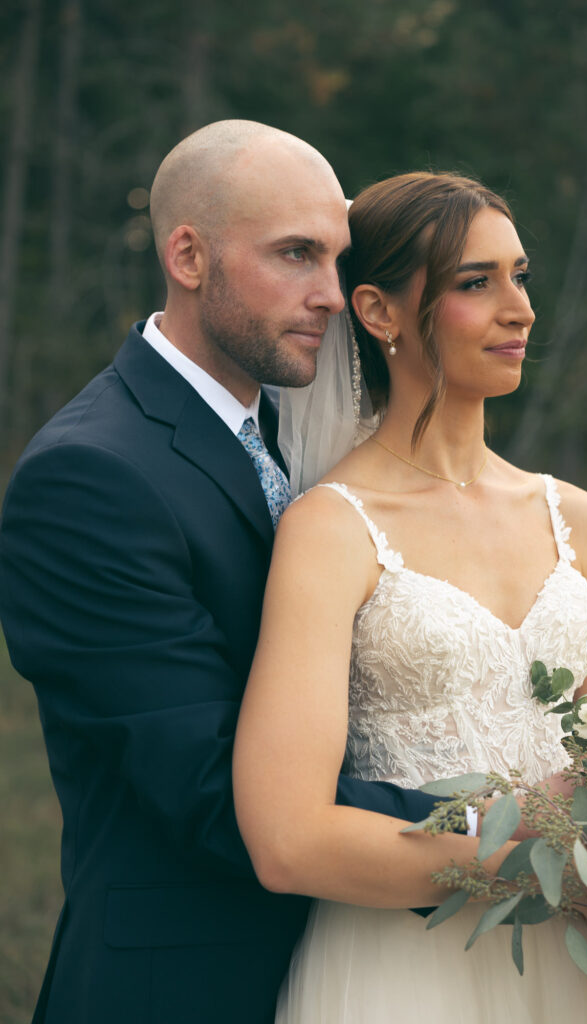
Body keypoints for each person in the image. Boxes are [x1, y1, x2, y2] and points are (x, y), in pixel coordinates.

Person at [0, 123, 453, 1024]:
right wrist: (500, 821)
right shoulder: (91, 477)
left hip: (351, 966)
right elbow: (211, 789)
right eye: (296, 255)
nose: (331, 294)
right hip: (186, 985)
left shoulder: (295, 441)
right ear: (188, 255)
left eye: (337, 259)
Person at [233, 172, 587, 1022]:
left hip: (583, 969)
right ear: (379, 312)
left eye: (520, 276)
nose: (519, 309)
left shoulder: (579, 518)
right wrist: (531, 861)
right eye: (475, 282)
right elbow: (287, 840)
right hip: (404, 967)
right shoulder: (332, 530)